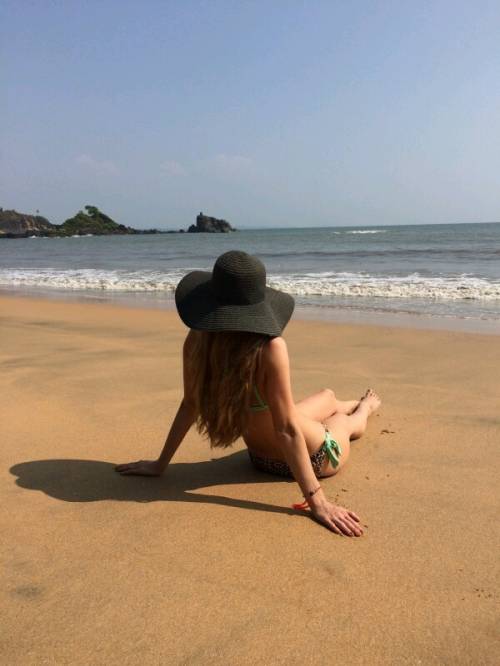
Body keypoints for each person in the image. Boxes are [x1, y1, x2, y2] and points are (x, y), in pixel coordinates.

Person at [115, 250, 381, 536]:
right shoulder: (270, 348)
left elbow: (190, 404)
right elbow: (286, 430)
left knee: (326, 396)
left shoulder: (197, 340)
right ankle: (365, 406)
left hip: (258, 459)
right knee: (344, 422)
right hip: (317, 458)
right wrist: (318, 502)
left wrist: (160, 464)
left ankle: (340, 402)